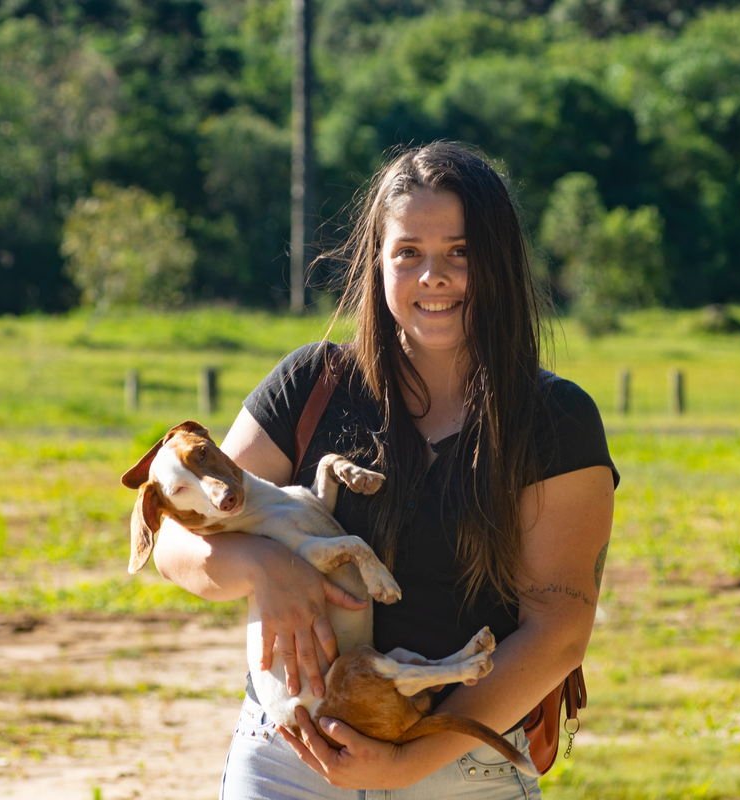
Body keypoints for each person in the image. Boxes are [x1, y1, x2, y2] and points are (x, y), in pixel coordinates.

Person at [152, 142, 618, 797]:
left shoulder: (555, 420)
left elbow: (558, 632)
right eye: (409, 253)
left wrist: (405, 765)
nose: (434, 275)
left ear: (500, 262)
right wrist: (260, 566)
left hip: (459, 768)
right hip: (290, 761)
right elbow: (176, 540)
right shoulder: (310, 384)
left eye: (460, 251)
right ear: (378, 262)